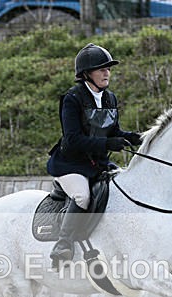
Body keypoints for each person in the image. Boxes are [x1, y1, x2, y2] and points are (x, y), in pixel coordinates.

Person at [46, 43, 143, 269]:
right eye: (101, 69)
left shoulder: (110, 98)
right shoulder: (72, 98)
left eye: (108, 69)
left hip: (97, 162)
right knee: (82, 197)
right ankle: (63, 244)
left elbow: (113, 131)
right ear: (86, 74)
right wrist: (108, 143)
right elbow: (73, 139)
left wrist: (137, 137)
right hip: (71, 164)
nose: (107, 73)